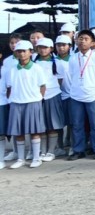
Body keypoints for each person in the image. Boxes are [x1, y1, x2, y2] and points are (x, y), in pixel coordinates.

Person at [66, 30, 95, 160]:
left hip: (93, 95)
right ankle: (78, 150)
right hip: (76, 95)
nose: (82, 41)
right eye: (80, 38)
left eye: (86, 39)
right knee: (77, 124)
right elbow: (69, 76)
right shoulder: (73, 58)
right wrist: (74, 88)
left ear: (92, 43)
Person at [5, 41, 48, 169]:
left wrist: (38, 99)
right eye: (19, 51)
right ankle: (21, 159)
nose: (22, 54)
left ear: (30, 52)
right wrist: (12, 100)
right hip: (16, 103)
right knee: (19, 133)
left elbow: (43, 86)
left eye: (24, 51)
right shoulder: (12, 69)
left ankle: (36, 158)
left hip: (33, 102)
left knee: (35, 131)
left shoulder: (37, 68)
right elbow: (9, 87)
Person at [32, 38, 64, 161]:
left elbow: (61, 80)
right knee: (42, 125)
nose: (42, 50)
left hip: (53, 95)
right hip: (37, 96)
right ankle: (43, 151)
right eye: (40, 47)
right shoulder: (34, 63)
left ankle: (51, 151)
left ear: (51, 48)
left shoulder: (57, 62)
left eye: (45, 47)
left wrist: (53, 90)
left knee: (52, 125)